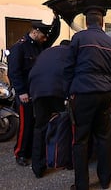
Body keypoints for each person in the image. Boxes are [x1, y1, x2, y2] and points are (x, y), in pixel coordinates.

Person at [64, 6, 111, 190]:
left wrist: (68, 93)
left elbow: (68, 69)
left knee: (81, 140)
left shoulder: (78, 39)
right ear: (103, 23)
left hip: (83, 94)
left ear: (86, 22)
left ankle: (81, 185)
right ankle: (105, 180)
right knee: (103, 137)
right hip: (105, 95)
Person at [7, 17, 60, 167]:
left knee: (36, 122)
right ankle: (20, 153)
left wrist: (57, 19)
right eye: (43, 36)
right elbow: (14, 72)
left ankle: (30, 150)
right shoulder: (19, 47)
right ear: (35, 32)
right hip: (24, 92)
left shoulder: (39, 45)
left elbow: (52, 36)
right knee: (26, 123)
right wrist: (21, 91)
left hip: (36, 91)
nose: (45, 40)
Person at [28, 40, 71, 178]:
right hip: (57, 90)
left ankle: (38, 168)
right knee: (63, 124)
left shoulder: (46, 52)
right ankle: (64, 160)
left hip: (37, 90)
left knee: (40, 127)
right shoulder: (69, 53)